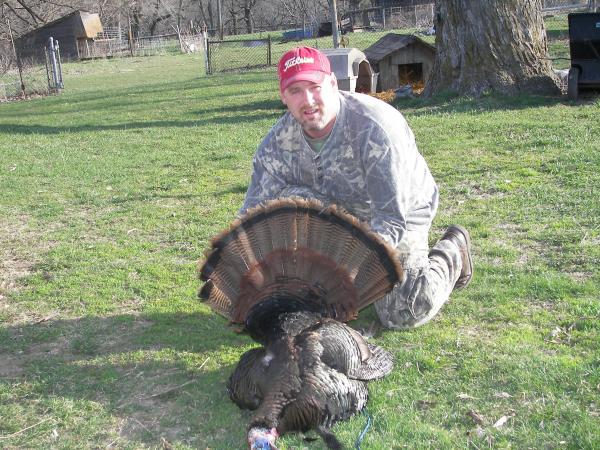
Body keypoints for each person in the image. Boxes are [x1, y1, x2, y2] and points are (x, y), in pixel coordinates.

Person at [240, 46, 473, 329]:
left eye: (314, 86)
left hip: (401, 213)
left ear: (332, 84)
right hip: (337, 215)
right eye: (296, 91)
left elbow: (391, 219)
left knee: (403, 310)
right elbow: (251, 217)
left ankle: (452, 251)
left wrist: (348, 272)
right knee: (284, 203)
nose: (308, 100)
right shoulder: (275, 144)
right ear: (283, 97)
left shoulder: (376, 128)